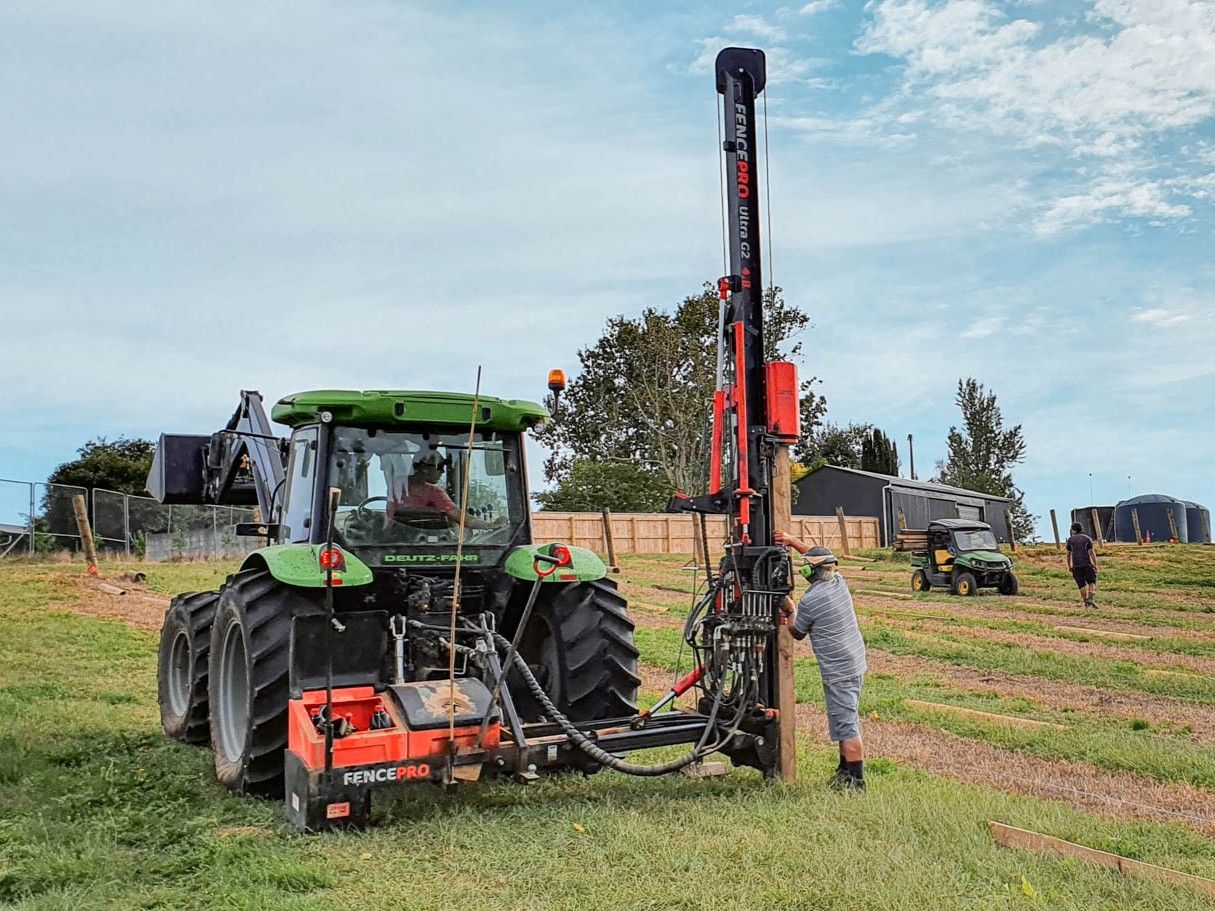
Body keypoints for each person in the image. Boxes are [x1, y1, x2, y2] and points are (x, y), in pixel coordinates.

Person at [775, 531, 867, 791]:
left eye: (806, 569)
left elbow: (797, 632)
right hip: (855, 661)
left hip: (839, 670)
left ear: (811, 574)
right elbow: (817, 555)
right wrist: (792, 542)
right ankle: (844, 772)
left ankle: (857, 783)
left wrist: (790, 609)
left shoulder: (812, 601)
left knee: (847, 725)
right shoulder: (838, 581)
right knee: (842, 720)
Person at [385, 452, 502, 530]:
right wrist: (491, 525)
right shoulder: (434, 492)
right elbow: (460, 517)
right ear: (425, 469)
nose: (443, 472)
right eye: (440, 468)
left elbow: (388, 521)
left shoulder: (396, 487)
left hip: (397, 540)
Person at [1066, 522, 1099, 608]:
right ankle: (1091, 599)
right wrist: (1095, 564)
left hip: (1076, 566)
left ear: (1073, 530)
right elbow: (1091, 553)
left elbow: (1068, 554)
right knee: (1092, 582)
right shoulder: (1087, 539)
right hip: (1087, 564)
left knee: (1081, 585)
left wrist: (1069, 565)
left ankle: (1086, 602)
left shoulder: (1070, 540)